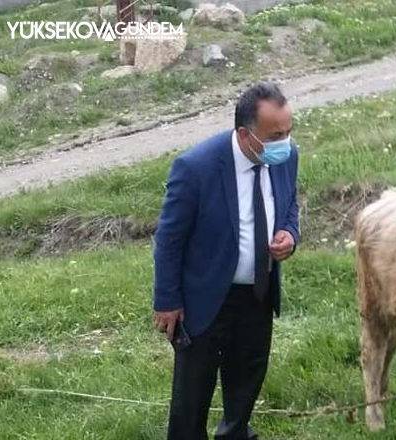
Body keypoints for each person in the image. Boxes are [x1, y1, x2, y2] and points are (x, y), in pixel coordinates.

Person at [152, 82, 301, 439]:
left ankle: (235, 432)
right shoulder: (196, 167)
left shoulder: (286, 156)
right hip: (206, 298)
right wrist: (167, 301)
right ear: (245, 135)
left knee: (246, 379)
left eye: (288, 132)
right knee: (192, 395)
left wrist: (290, 235)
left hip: (258, 293)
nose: (285, 142)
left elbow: (289, 203)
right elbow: (169, 240)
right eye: (275, 135)